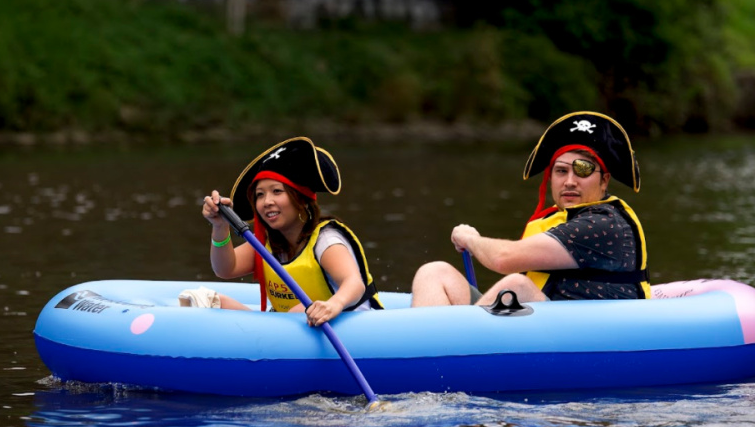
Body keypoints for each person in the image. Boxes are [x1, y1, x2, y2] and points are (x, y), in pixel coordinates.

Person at [410, 111, 650, 306]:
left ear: (604, 180)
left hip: (586, 333)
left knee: (516, 286)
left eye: (583, 171)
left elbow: (503, 259)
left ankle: (455, 346)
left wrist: (470, 239)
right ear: (551, 177)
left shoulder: (604, 223)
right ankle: (430, 347)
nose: (569, 181)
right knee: (434, 272)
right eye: (561, 171)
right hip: (543, 324)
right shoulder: (560, 218)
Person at [182, 137, 383, 326]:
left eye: (277, 191)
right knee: (208, 300)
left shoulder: (326, 240)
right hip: (289, 327)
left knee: (299, 310)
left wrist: (333, 305)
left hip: (346, 325)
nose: (267, 201)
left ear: (301, 199)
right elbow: (226, 269)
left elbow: (354, 283)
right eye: (260, 195)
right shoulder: (268, 243)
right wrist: (220, 226)